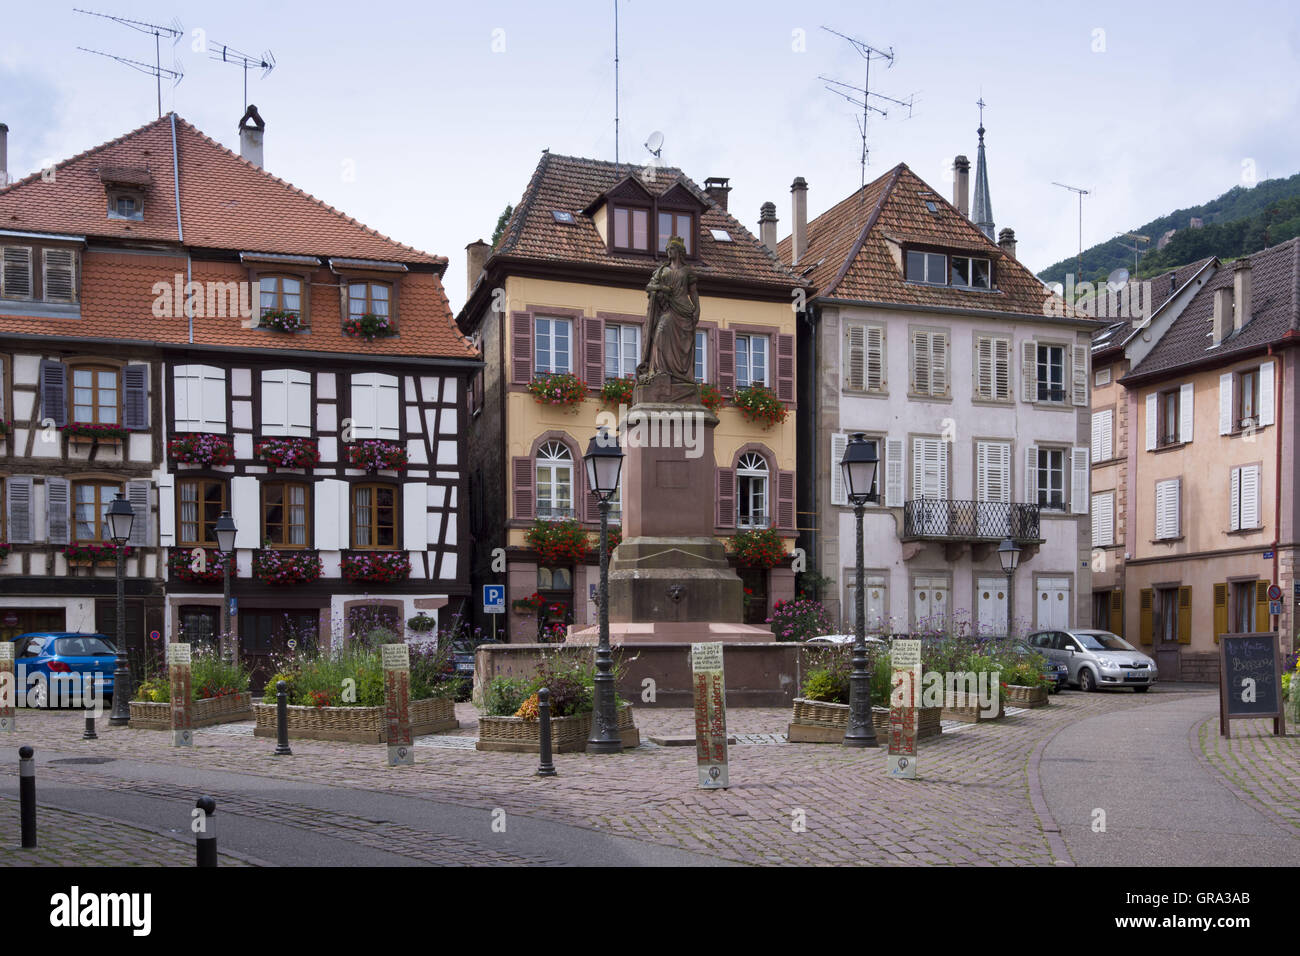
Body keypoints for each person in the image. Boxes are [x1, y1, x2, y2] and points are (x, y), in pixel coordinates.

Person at [638, 236, 700, 382]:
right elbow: (649, 287)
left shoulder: (687, 271)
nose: (668, 252)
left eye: (671, 249)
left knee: (683, 345)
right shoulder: (661, 270)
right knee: (660, 334)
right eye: (667, 249)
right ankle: (660, 371)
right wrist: (662, 288)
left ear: (679, 251)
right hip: (667, 309)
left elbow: (693, 292)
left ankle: (680, 376)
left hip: (684, 309)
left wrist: (697, 309)